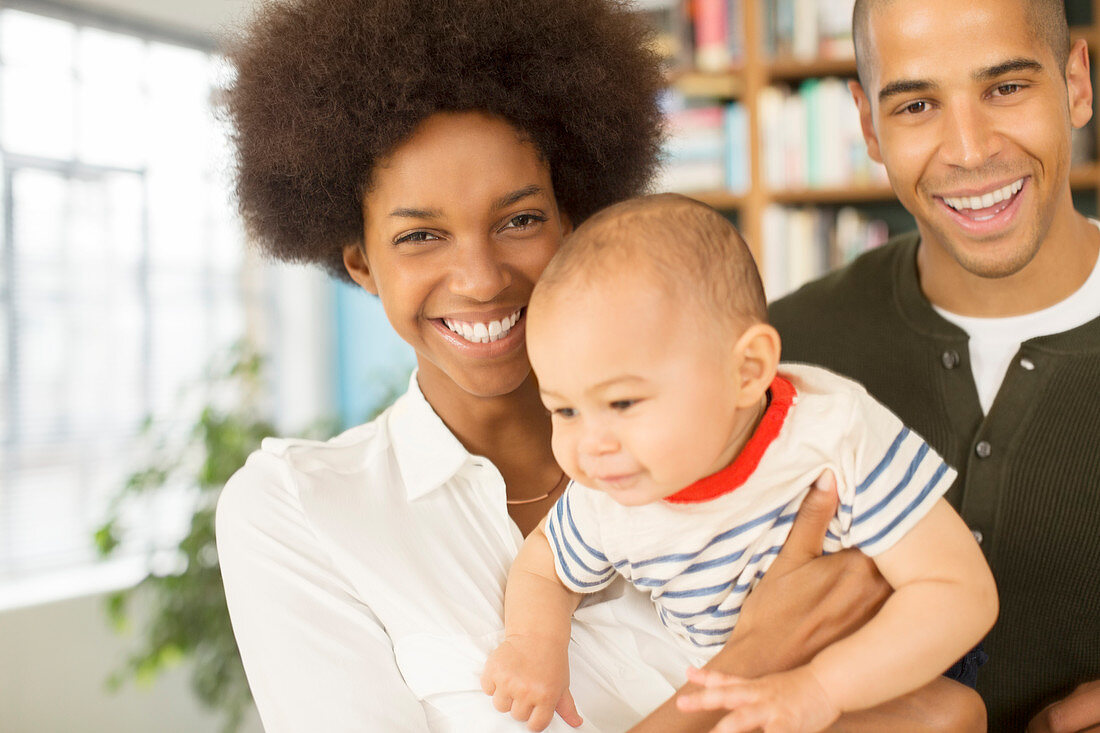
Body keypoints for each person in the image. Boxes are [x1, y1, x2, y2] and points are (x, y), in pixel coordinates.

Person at [215, 0, 984, 730]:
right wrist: (757, 653)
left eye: (519, 219)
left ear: (573, 218)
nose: (480, 278)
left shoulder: (754, 423)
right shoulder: (299, 513)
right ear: (360, 262)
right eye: (420, 236)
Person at [481, 194, 997, 733]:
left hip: (882, 668)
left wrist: (823, 685)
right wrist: (534, 645)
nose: (590, 444)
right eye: (564, 409)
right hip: (744, 691)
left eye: (623, 403)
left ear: (747, 371)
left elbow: (960, 592)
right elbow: (546, 561)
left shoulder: (833, 433)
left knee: (950, 715)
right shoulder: (607, 498)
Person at [769, 0, 1100, 730]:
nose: (971, 148)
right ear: (868, 127)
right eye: (917, 104)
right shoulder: (778, 356)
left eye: (1006, 88)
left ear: (1077, 84)